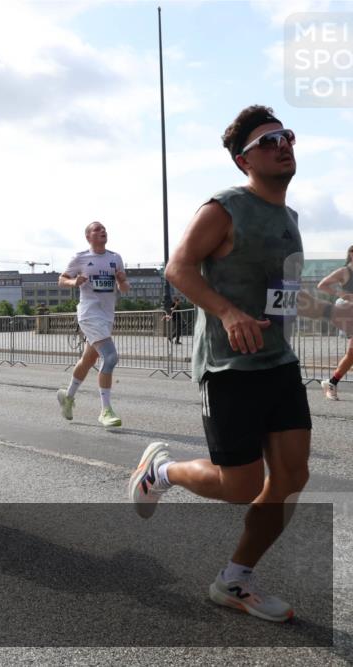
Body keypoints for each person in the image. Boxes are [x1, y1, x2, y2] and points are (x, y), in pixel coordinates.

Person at [130, 105, 353, 623]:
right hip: (229, 367)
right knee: (242, 485)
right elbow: (177, 268)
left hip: (277, 362)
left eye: (286, 135)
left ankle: (234, 580)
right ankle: (159, 471)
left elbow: (284, 297)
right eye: (268, 140)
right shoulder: (225, 207)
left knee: (292, 477)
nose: (283, 144)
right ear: (242, 161)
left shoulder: (289, 219)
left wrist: (333, 310)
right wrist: (228, 313)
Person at [56, 221, 130, 428]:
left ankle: (67, 396)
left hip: (107, 315)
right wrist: (74, 282)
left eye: (104, 228)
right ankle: (105, 410)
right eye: (97, 229)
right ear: (88, 236)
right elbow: (61, 279)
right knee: (111, 357)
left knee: (88, 360)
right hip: (89, 313)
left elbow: (124, 289)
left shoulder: (115, 258)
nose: (103, 231)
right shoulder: (80, 257)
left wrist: (123, 281)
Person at [317, 244, 353, 400]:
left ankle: (331, 382)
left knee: (351, 354)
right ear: (351, 254)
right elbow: (322, 285)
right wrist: (341, 293)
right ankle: (331, 383)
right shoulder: (345, 272)